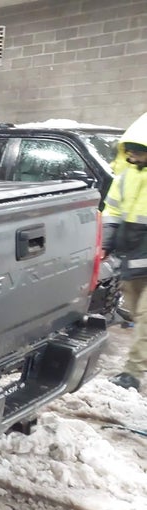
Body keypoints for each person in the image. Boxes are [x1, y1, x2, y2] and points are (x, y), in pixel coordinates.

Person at [102, 112, 147, 390]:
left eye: (139, 151)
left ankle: (132, 373)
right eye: (130, 150)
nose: (133, 156)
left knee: (144, 318)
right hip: (132, 257)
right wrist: (107, 242)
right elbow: (113, 210)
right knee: (133, 313)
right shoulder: (125, 177)